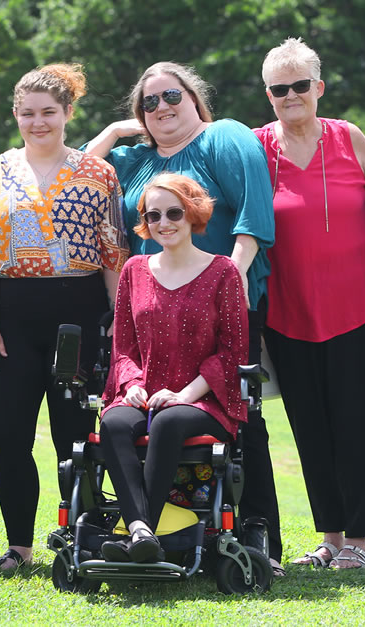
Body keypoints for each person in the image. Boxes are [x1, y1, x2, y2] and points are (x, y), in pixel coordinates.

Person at [84, 62, 282, 571]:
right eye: (148, 103)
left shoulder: (223, 137)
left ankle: (258, 534)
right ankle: (151, 532)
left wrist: (225, 283)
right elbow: (78, 176)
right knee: (127, 420)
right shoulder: (135, 164)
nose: (161, 108)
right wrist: (112, 132)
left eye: (171, 96)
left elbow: (252, 219)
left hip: (217, 307)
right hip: (151, 312)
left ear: (194, 98)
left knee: (244, 426)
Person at [0, 64, 127, 570]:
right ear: (15, 114)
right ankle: (18, 545)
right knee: (10, 434)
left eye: (49, 112)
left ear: (68, 114)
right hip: (10, 314)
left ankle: (77, 534)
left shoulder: (98, 173)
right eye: (28, 113)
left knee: (74, 433)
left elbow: (114, 255)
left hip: (78, 313)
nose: (38, 122)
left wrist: (119, 323)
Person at [253, 38, 365, 570]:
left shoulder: (349, 138)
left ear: (318, 88)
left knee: (354, 421)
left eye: (300, 86)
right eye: (279, 89)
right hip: (287, 312)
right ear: (269, 94)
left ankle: (360, 541)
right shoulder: (255, 147)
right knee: (309, 426)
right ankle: (330, 538)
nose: (290, 96)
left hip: (358, 306)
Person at [98, 173, 248, 563]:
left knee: (169, 420)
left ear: (193, 213)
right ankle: (141, 531)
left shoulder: (223, 272)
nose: (163, 223)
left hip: (203, 400)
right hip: (144, 392)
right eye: (153, 216)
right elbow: (124, 347)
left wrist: (184, 395)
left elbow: (232, 353)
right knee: (113, 422)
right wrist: (131, 383)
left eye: (174, 212)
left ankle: (136, 536)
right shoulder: (134, 270)